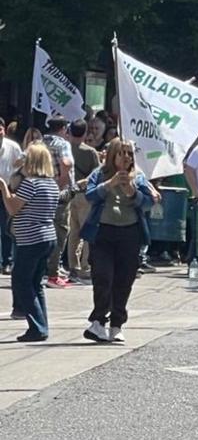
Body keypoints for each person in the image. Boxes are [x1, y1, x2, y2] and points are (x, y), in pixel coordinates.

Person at [80, 139, 155, 343]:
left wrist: (133, 192)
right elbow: (90, 195)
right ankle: (98, 321)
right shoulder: (100, 173)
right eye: (122, 153)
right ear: (113, 155)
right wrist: (110, 184)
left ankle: (117, 324)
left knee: (124, 281)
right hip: (102, 232)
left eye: (130, 153)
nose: (127, 157)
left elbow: (149, 202)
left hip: (129, 233)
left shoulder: (138, 177)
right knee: (103, 277)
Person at [0, 144, 61, 342]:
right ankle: (41, 325)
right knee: (36, 283)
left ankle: (37, 327)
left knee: (21, 282)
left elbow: (12, 208)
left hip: (31, 238)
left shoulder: (31, 184)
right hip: (47, 236)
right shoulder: (51, 183)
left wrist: (3, 188)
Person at [65, 119, 101, 285]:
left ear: (70, 132)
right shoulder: (91, 152)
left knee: (72, 232)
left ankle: (73, 266)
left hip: (67, 193)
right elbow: (97, 174)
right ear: (85, 133)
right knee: (87, 232)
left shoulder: (64, 150)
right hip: (85, 194)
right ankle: (86, 267)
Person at [42, 116, 75, 288]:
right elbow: (66, 163)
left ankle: (43, 270)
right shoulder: (62, 144)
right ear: (63, 128)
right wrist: (62, 182)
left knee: (42, 232)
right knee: (59, 232)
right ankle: (53, 274)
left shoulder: (38, 143)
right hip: (59, 195)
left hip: (40, 194)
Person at [0, 118, 22, 274]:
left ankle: (7, 261)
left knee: (6, 227)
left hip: (6, 189)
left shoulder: (13, 147)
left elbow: (20, 167)